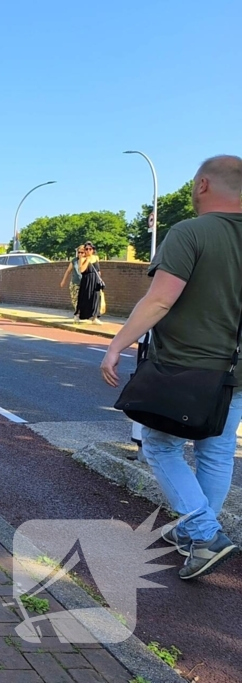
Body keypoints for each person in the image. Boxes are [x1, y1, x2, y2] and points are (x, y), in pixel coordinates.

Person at [101, 155, 242, 580]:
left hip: (187, 365)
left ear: (203, 185)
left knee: (160, 446)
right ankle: (200, 536)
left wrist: (116, 345)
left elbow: (160, 299)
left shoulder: (191, 233)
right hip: (234, 371)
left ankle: (202, 532)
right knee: (215, 451)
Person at [75, 241, 102, 324]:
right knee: (84, 298)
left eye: (90, 249)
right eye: (86, 249)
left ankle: (94, 318)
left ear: (93, 249)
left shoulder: (96, 257)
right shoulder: (82, 259)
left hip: (95, 280)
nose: (88, 251)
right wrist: (87, 260)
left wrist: (100, 279)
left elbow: (98, 270)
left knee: (96, 298)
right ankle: (78, 315)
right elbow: (81, 270)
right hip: (87, 280)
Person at [59, 245, 86, 319]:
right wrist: (63, 281)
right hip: (74, 283)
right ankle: (77, 313)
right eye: (79, 252)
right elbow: (68, 271)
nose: (80, 254)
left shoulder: (87, 260)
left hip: (84, 284)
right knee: (75, 299)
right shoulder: (74, 261)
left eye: (82, 252)